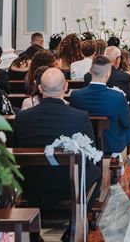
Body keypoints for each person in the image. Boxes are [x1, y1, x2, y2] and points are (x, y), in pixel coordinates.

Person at [13, 68, 101, 210]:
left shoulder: (22, 117)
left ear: (40, 88)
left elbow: (16, 148)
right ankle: (76, 219)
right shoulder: (80, 117)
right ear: (66, 87)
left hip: (31, 184)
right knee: (96, 172)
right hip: (67, 184)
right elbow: (91, 153)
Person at [70, 56, 130, 188]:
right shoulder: (116, 96)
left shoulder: (76, 96)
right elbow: (127, 123)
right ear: (108, 74)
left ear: (90, 71)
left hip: (87, 141)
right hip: (112, 142)